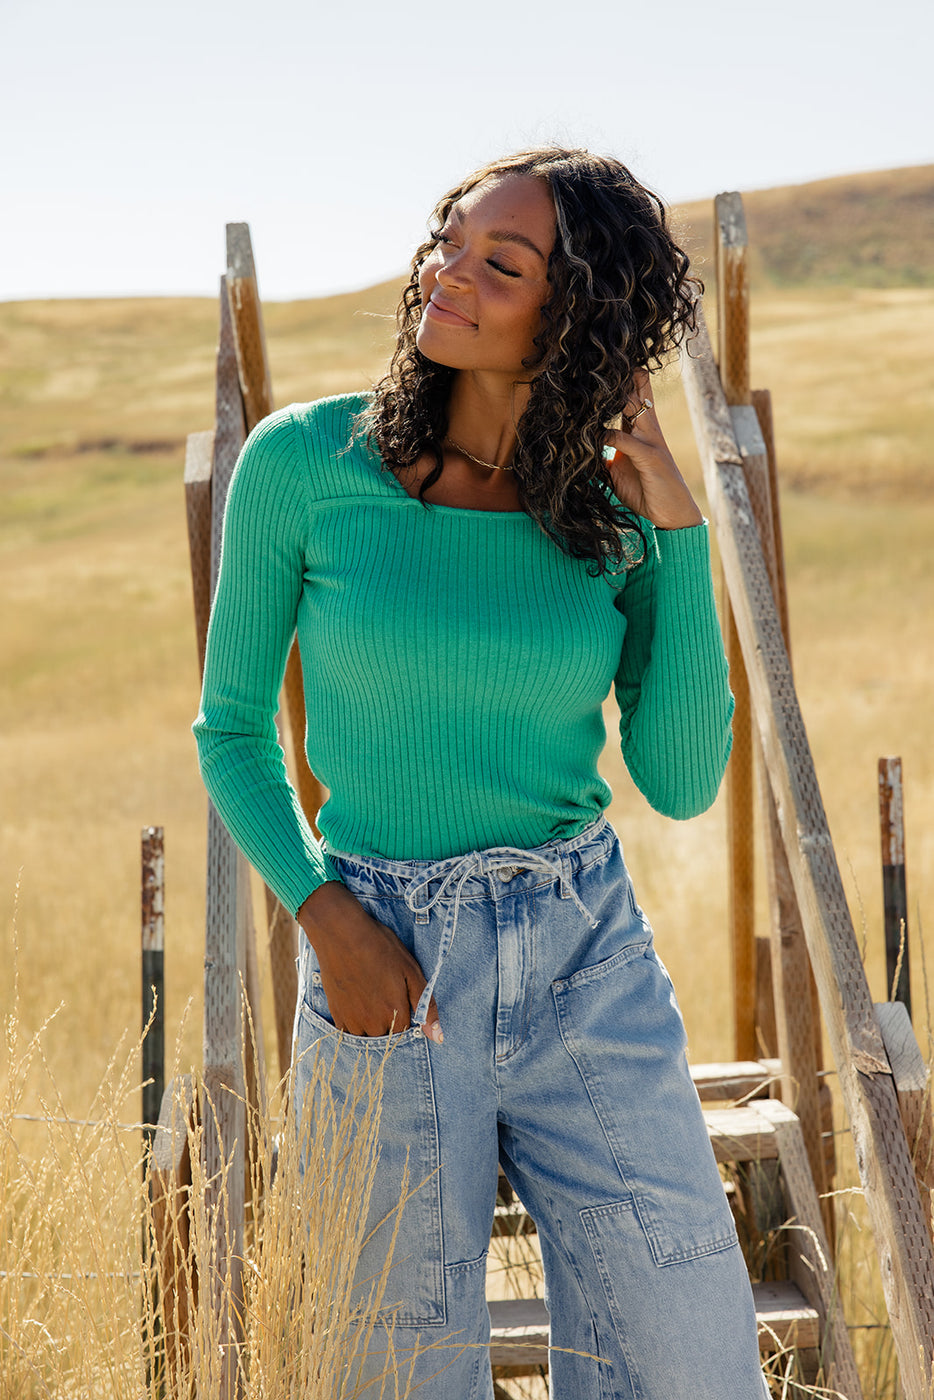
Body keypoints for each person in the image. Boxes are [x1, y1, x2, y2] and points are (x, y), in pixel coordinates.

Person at [194, 147, 769, 1399]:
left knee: (688, 1358)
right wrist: (326, 915)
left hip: (585, 952)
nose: (448, 273)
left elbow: (678, 777)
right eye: (451, 239)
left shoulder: (612, 514)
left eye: (499, 264)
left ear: (570, 315)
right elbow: (228, 728)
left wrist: (675, 527)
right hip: (381, 958)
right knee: (389, 1365)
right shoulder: (305, 464)